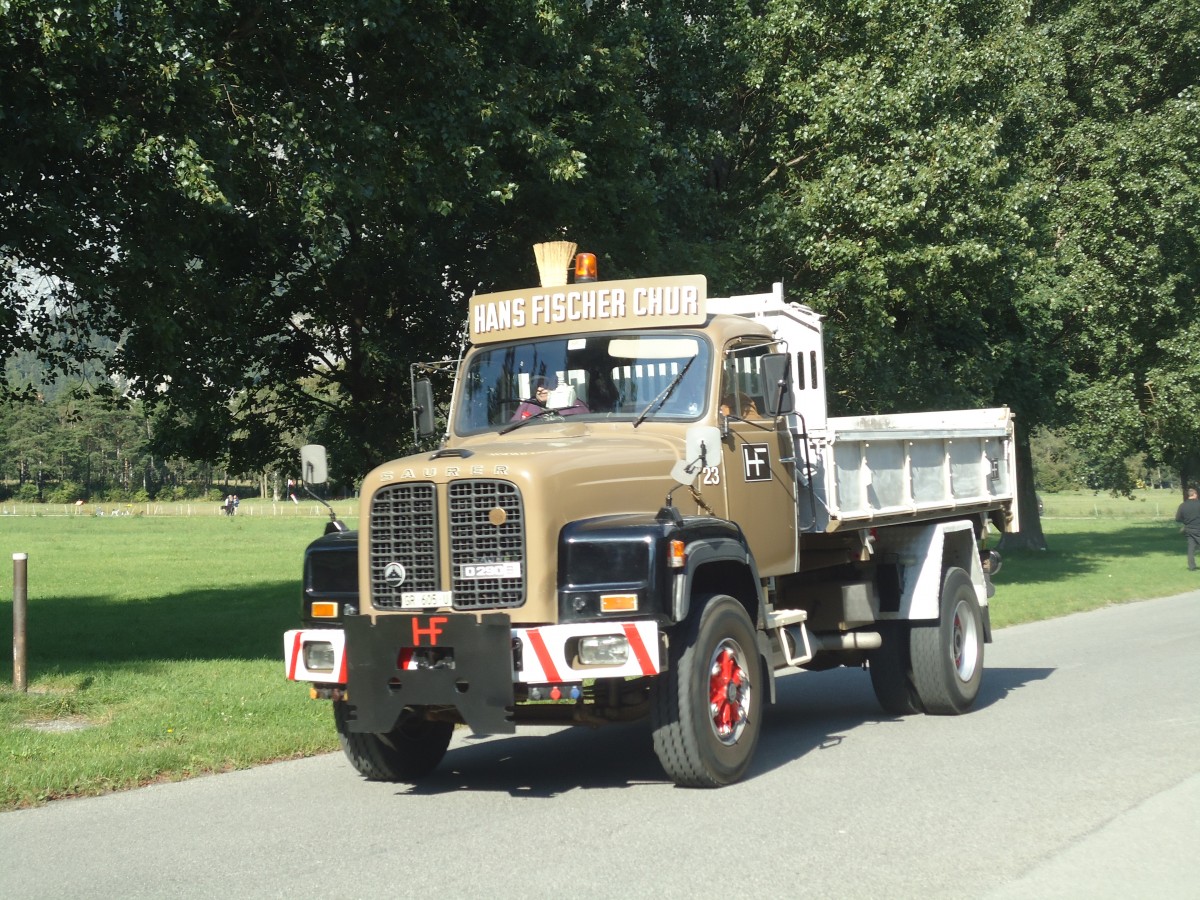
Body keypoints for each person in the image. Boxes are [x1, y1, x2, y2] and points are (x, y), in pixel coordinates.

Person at [511, 376, 588, 420]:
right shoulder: (527, 405)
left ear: (554, 385)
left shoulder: (572, 402)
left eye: (544, 384)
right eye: (535, 385)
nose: (539, 389)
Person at [1175, 486, 1200, 571]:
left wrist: (1186, 521)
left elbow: (1177, 519)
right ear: (1195, 494)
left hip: (1188, 529)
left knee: (1191, 548)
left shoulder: (1182, 505)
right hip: (1198, 528)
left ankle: (1191, 567)